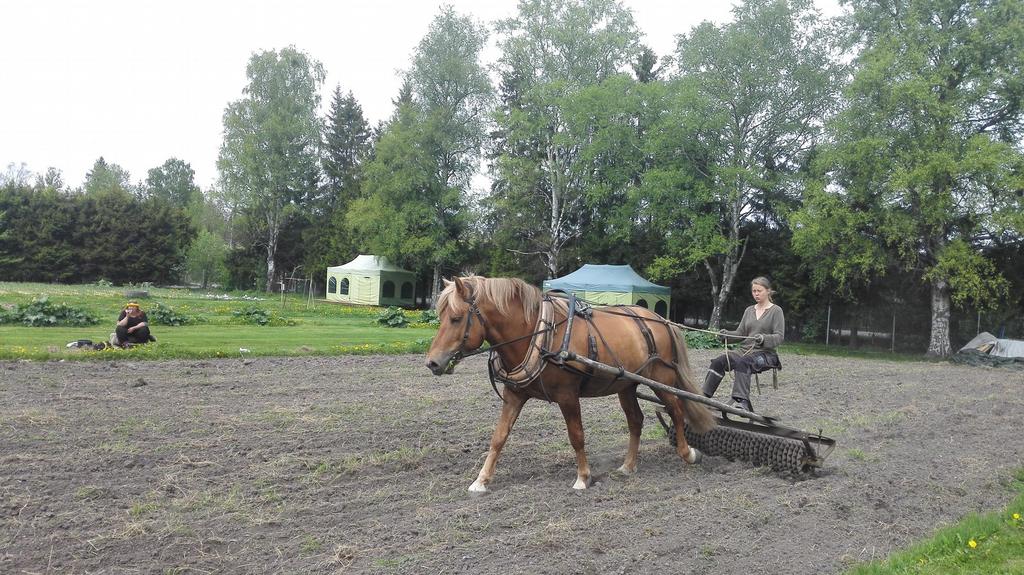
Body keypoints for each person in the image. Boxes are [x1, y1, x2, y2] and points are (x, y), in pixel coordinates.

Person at [702, 276, 784, 413]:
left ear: (768, 291)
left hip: (766, 354)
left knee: (743, 362)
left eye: (759, 291)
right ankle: (703, 397)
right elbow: (741, 332)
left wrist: (764, 338)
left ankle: (742, 401)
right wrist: (727, 335)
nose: (756, 294)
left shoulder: (776, 311)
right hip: (744, 350)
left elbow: (779, 337)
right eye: (754, 291)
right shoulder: (749, 310)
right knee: (719, 361)